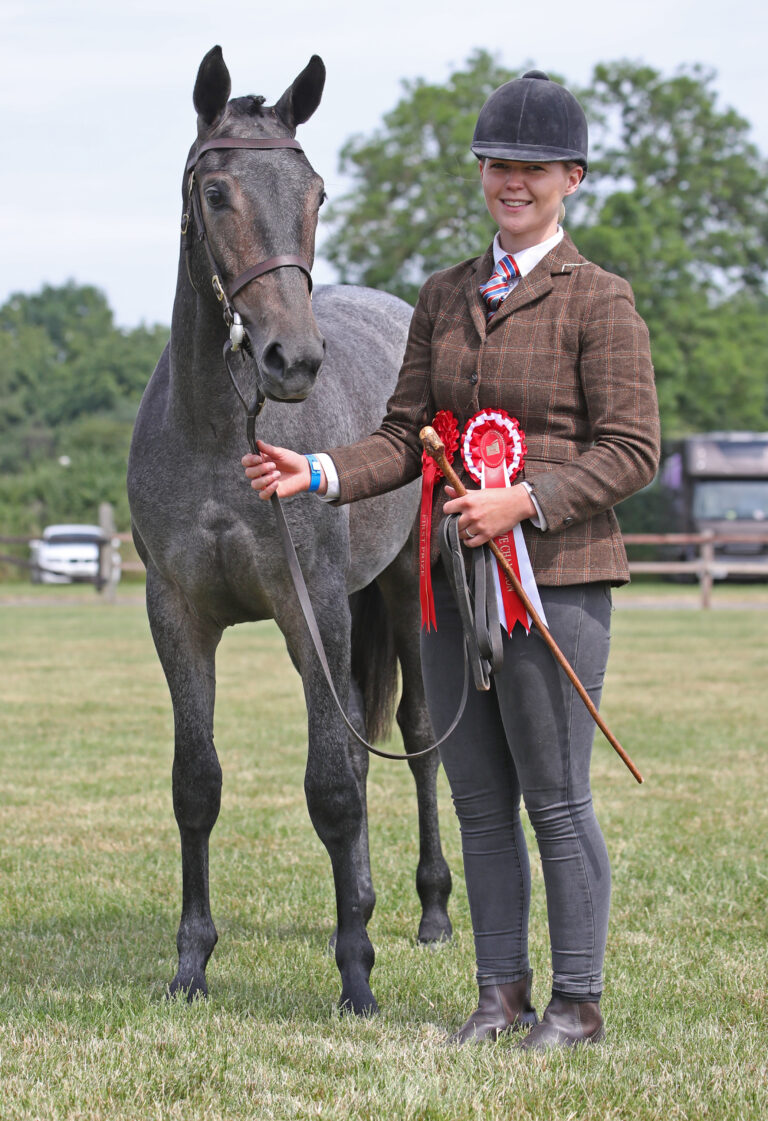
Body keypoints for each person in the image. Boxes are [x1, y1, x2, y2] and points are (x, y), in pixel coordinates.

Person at [243, 71, 660, 1049]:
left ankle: (577, 1002)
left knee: (556, 799)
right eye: (496, 164)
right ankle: (499, 995)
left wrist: (527, 497)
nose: (511, 181)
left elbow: (633, 448)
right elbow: (404, 434)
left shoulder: (600, 301)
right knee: (477, 801)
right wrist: (318, 469)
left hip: (554, 581)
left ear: (570, 178)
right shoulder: (443, 295)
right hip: (446, 584)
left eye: (531, 168)